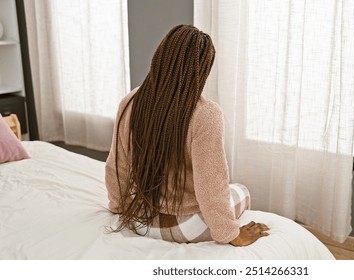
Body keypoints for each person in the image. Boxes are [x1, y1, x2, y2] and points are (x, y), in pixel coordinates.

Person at [105, 24, 269, 246]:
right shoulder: (205, 114)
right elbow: (211, 187)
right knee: (241, 191)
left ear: (160, 56)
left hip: (139, 220)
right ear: (202, 69)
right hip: (182, 229)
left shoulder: (131, 101)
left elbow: (118, 166)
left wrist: (118, 207)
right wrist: (231, 235)